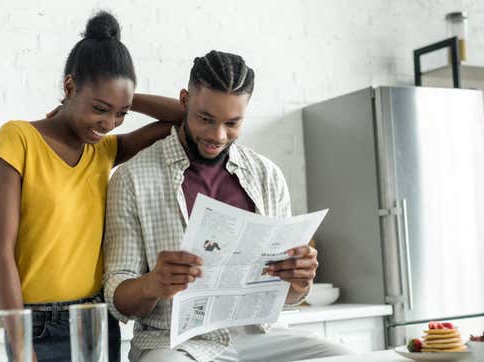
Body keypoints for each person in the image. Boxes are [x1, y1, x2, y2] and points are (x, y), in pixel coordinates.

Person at [103, 50, 353, 362]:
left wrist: (300, 283)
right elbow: (117, 296)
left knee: (344, 356)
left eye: (232, 123)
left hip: (261, 338)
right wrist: (152, 284)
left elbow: (286, 297)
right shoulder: (132, 178)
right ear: (184, 102)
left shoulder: (266, 175)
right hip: (176, 344)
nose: (217, 135)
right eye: (205, 119)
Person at [0, 11, 185, 362]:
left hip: (95, 320)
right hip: (31, 325)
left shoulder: (104, 151)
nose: (108, 124)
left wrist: (125, 96)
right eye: (99, 108)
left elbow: (185, 119)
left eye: (120, 114)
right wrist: (18, 347)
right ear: (69, 86)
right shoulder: (18, 138)